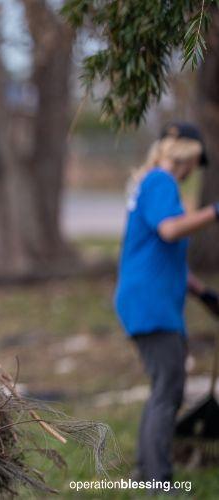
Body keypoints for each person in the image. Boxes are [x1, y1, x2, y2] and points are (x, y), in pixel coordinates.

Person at [114, 122, 219, 484]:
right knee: (169, 390)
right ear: (187, 154)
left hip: (149, 299)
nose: (193, 170)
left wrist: (203, 293)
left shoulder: (150, 184)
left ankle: (148, 472)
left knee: (164, 388)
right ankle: (157, 479)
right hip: (150, 303)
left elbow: (161, 253)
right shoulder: (161, 181)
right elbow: (170, 230)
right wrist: (214, 212)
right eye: (195, 161)